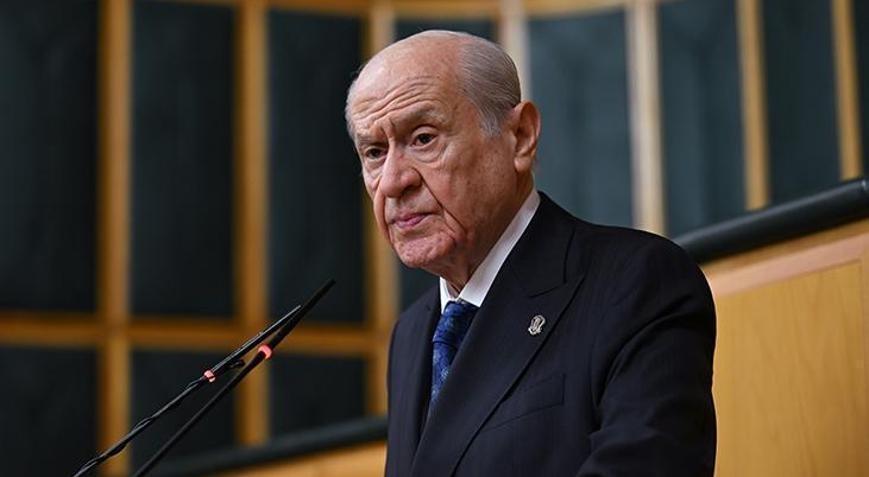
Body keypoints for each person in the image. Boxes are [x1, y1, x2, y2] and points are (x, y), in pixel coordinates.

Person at [345, 30, 716, 476]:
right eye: (374, 152)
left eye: (424, 139)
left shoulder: (637, 284)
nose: (392, 181)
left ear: (520, 136)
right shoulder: (412, 333)